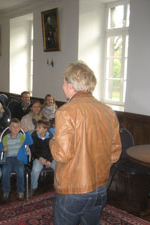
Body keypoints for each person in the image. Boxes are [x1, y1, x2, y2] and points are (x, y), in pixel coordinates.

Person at [49, 61, 122, 225]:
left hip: (73, 188)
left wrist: (52, 141)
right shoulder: (108, 111)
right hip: (100, 187)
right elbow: (115, 153)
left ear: (71, 85)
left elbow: (62, 154)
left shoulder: (65, 111)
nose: (62, 86)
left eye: (63, 82)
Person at [0, 118, 33, 201]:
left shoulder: (21, 137)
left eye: (17, 127)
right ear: (9, 128)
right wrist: (2, 149)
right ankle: (6, 191)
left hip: (18, 158)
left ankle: (20, 191)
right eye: (13, 126)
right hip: (8, 158)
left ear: (20, 128)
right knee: (5, 170)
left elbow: (30, 142)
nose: (15, 129)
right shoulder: (6, 138)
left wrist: (26, 132)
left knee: (20, 170)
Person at [30, 119, 55, 195]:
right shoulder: (34, 136)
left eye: (39, 127)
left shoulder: (51, 138)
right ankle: (33, 187)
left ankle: (59, 185)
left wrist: (50, 160)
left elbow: (53, 151)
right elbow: (33, 150)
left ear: (45, 129)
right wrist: (40, 158)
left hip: (50, 158)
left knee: (59, 167)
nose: (36, 129)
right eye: (37, 127)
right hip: (38, 158)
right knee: (35, 169)